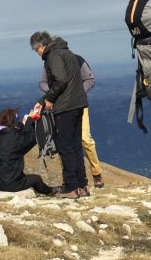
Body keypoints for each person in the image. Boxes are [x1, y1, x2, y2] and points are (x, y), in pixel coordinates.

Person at [31, 31, 90, 199]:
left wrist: (48, 98)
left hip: (66, 106)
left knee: (65, 146)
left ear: (41, 46)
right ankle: (82, 186)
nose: (38, 54)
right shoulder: (67, 52)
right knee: (76, 145)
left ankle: (71, 187)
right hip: (79, 103)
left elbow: (61, 79)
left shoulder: (53, 55)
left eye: (37, 51)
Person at [40, 54, 105, 188]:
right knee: (64, 143)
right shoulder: (49, 62)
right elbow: (42, 82)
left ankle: (96, 173)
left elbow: (89, 79)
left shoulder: (77, 59)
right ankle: (71, 179)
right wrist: (54, 92)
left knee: (85, 139)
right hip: (60, 106)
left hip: (78, 104)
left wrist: (75, 92)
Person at [0, 108, 54, 195]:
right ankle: (50, 192)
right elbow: (31, 137)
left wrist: (25, 122)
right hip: (9, 183)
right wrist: (31, 120)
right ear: (13, 122)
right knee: (36, 179)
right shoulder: (17, 138)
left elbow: (13, 131)